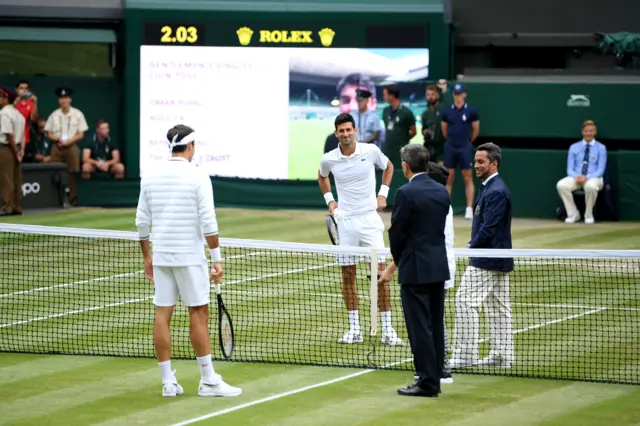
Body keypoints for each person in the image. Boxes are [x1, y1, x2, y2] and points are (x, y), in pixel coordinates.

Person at [135, 124, 242, 398]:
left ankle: (168, 382)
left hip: (162, 257)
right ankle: (208, 381)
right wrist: (217, 260)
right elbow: (209, 221)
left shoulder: (150, 175)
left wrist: (148, 257)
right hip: (189, 258)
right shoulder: (198, 176)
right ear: (191, 146)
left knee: (162, 314)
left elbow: (141, 222)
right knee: (198, 313)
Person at [318, 113, 403, 346]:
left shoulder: (371, 151)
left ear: (355, 130)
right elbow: (322, 176)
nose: (345, 134)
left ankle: (387, 330)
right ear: (336, 133)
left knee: (380, 275)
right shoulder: (329, 159)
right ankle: (355, 329)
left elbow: (389, 167)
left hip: (369, 220)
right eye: (341, 131)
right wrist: (330, 201)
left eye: (348, 129)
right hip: (345, 222)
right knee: (348, 276)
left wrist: (383, 194)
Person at [380, 144, 450, 397]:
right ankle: (435, 378)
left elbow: (397, 233)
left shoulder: (406, 193)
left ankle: (427, 382)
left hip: (415, 269)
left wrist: (398, 260)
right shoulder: (442, 191)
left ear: (406, 166)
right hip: (438, 267)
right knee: (435, 324)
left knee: (419, 327)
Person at [450, 142, 514, 369]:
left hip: (487, 258)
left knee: (464, 301)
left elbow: (490, 228)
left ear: (493, 164)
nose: (476, 165)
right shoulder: (490, 186)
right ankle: (502, 355)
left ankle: (466, 354)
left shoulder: (496, 190)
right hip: (495, 257)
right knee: (498, 307)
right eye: (475, 161)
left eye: (481, 162)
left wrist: (471, 246)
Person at [556, 120, 607, 225]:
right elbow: (570, 169)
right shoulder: (574, 147)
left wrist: (587, 177)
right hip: (577, 177)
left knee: (591, 187)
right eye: (586, 131)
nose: (588, 133)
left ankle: (588, 215)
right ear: (582, 132)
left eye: (591, 131)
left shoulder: (601, 148)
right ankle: (573, 214)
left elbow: (601, 170)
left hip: (594, 177)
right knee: (561, 185)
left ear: (595, 132)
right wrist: (577, 176)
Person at [44, 87, 89, 206]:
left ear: (70, 99)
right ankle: (54, 200)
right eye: (61, 98)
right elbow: (49, 133)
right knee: (54, 172)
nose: (64, 101)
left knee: (72, 173)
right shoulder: (54, 115)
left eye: (66, 98)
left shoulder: (77, 114)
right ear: (59, 100)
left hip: (71, 146)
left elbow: (81, 134)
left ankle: (72, 200)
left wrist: (69, 141)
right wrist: (58, 139)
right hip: (57, 147)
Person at [441, 83, 480, 220]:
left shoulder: (471, 112)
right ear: (453, 95)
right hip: (450, 147)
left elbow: (475, 131)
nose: (458, 97)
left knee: (468, 177)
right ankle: (445, 208)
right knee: (448, 178)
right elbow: (444, 131)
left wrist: (467, 141)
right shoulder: (447, 112)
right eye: (456, 94)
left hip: (465, 147)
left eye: (460, 94)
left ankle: (469, 209)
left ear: (464, 94)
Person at [0, 88, 26, 216]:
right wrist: (20, 151)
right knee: (16, 179)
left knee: (6, 179)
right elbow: (22, 137)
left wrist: (15, 151)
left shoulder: (4, 113)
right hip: (16, 148)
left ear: (5, 98)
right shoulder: (19, 115)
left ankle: (7, 207)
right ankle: (17, 206)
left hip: (6, 149)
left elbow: (9, 134)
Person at [382, 85, 416, 170]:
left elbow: (414, 131)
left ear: (392, 96)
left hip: (401, 152)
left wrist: (403, 139)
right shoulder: (385, 111)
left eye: (385, 94)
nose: (383, 97)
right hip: (388, 151)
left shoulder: (406, 112)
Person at [421, 85, 446, 165]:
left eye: (432, 94)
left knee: (440, 172)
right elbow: (423, 128)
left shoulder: (444, 110)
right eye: (428, 95)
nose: (430, 97)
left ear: (437, 96)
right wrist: (425, 132)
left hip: (442, 147)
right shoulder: (425, 113)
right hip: (429, 147)